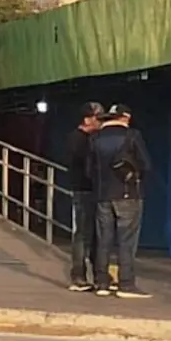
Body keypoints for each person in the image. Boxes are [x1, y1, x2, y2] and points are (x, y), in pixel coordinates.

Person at [87, 104, 152, 299]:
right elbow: (146, 164)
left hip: (102, 195)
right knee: (126, 241)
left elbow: (89, 171)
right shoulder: (132, 136)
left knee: (103, 240)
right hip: (128, 194)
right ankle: (126, 284)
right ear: (126, 117)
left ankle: (101, 283)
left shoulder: (95, 138)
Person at [65, 102, 102, 291]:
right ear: (87, 119)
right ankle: (78, 275)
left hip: (95, 190)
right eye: (97, 118)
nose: (100, 123)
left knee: (97, 234)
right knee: (82, 234)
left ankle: (98, 274)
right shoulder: (77, 139)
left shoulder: (94, 138)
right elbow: (82, 163)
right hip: (83, 189)